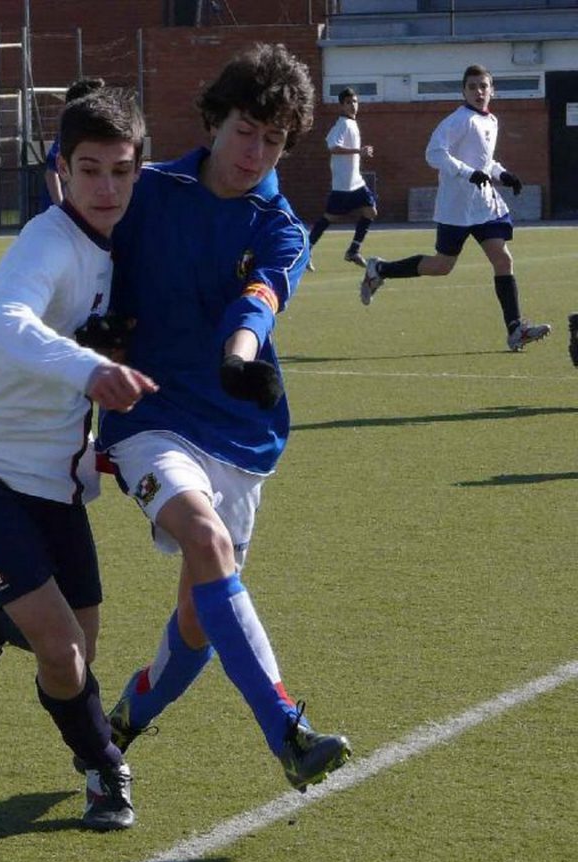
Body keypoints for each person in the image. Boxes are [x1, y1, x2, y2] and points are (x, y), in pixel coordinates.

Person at [94, 43, 351, 795]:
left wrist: (239, 357)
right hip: (148, 417)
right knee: (205, 541)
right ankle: (287, 731)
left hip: (238, 434)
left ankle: (118, 725)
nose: (255, 152)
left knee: (199, 619)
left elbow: (259, 301)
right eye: (245, 130)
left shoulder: (281, 226)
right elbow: (74, 198)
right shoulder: (150, 189)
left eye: (273, 140)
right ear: (214, 121)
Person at [0, 88, 157, 831]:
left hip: (53, 476)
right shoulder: (48, 243)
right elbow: (1, 316)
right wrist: (90, 367)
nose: (106, 188)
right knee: (62, 647)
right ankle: (104, 768)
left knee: (79, 649)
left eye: (121, 170)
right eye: (89, 170)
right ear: (61, 169)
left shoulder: (126, 240)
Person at [360, 64, 551, 353]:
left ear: (492, 90)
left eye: (483, 86)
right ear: (463, 91)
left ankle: (515, 330)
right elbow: (434, 153)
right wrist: (466, 172)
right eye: (472, 87)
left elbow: (484, 161)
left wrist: (503, 174)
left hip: (484, 206)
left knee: (503, 260)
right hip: (456, 208)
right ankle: (380, 269)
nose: (478, 91)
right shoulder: (458, 120)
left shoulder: (491, 121)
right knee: (442, 266)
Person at [306, 86, 377, 269]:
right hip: (344, 185)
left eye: (354, 101)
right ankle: (305, 251)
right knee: (329, 218)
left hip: (356, 182)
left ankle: (353, 251)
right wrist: (359, 151)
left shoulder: (351, 123)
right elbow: (332, 147)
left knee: (370, 212)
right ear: (342, 106)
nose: (352, 105)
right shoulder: (343, 124)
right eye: (348, 102)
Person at [41, 77, 106, 211]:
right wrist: (61, 207)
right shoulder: (70, 135)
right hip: (64, 214)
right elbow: (51, 172)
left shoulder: (92, 134)